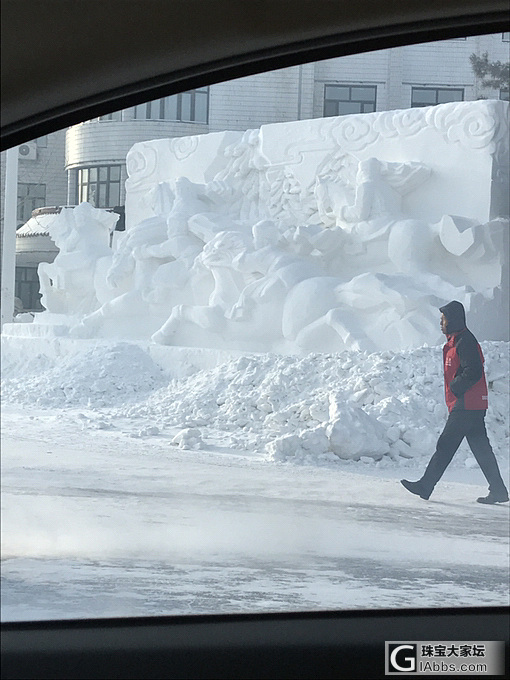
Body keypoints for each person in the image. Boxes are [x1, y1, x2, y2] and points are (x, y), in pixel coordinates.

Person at [401, 300, 509, 504]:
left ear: (454, 320)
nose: (441, 322)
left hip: (467, 404)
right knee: (481, 448)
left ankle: (425, 485)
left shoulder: (464, 341)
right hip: (471, 404)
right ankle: (499, 490)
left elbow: (474, 370)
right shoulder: (457, 341)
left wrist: (455, 388)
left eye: (444, 319)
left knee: (446, 445)